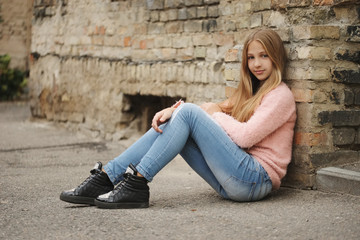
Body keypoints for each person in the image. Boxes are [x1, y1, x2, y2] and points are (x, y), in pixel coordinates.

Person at [60, 29, 297, 209]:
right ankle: (108, 177)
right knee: (182, 120)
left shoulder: (280, 95)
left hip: (255, 179)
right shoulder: (253, 93)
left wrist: (208, 113)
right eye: (251, 57)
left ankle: (136, 183)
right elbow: (205, 109)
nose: (256, 63)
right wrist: (176, 110)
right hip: (235, 182)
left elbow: (244, 137)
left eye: (264, 56)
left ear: (276, 57)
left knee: (188, 114)